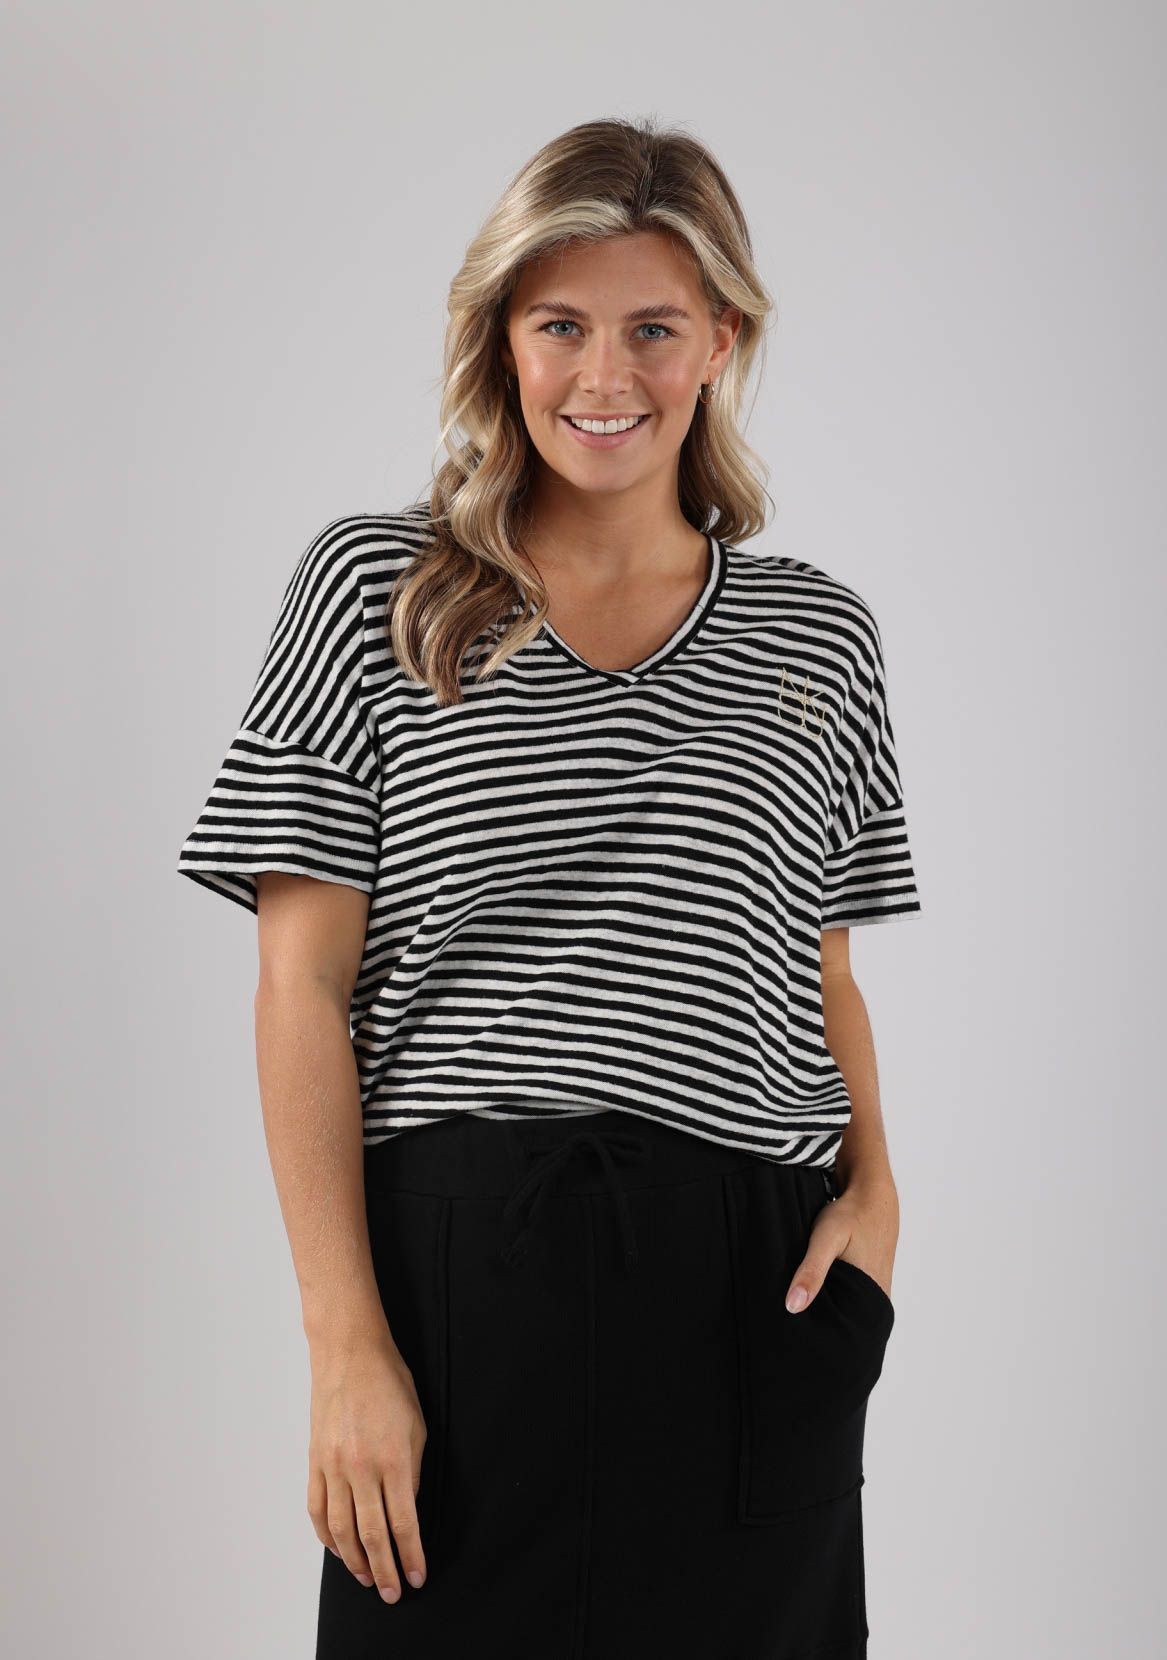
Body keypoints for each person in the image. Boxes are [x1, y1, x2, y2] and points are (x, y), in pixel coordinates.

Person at [176, 115, 923, 1660]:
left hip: (756, 1292)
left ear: (720, 341)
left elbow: (827, 966)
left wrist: (878, 1198)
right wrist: (344, 1342)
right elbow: (301, 983)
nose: (605, 376)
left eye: (654, 328)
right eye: (560, 325)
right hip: (464, 1285)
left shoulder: (817, 636)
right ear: (501, 339)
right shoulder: (380, 590)